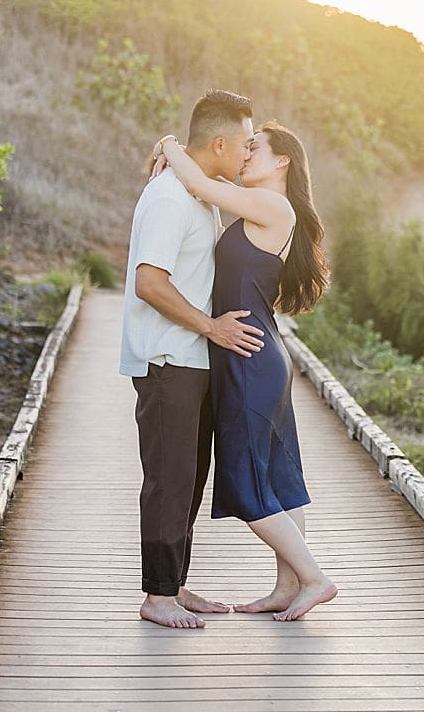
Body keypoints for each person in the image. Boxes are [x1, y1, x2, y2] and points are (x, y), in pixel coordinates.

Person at [150, 120, 336, 621]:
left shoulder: (273, 205)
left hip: (248, 357)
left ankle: (314, 578)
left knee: (245, 480)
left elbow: (198, 183)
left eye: (256, 147)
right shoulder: (263, 204)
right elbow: (206, 186)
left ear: (282, 160)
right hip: (258, 351)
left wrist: (168, 144)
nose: (246, 154)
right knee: (280, 476)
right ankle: (287, 585)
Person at [119, 89, 267, 629]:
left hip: (194, 359)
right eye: (246, 144)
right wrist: (211, 326)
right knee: (169, 478)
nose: (249, 153)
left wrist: (168, 145)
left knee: (191, 477)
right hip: (167, 360)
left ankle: (175, 584)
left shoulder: (201, 194)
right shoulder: (169, 198)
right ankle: (156, 597)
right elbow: (149, 283)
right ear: (220, 144)